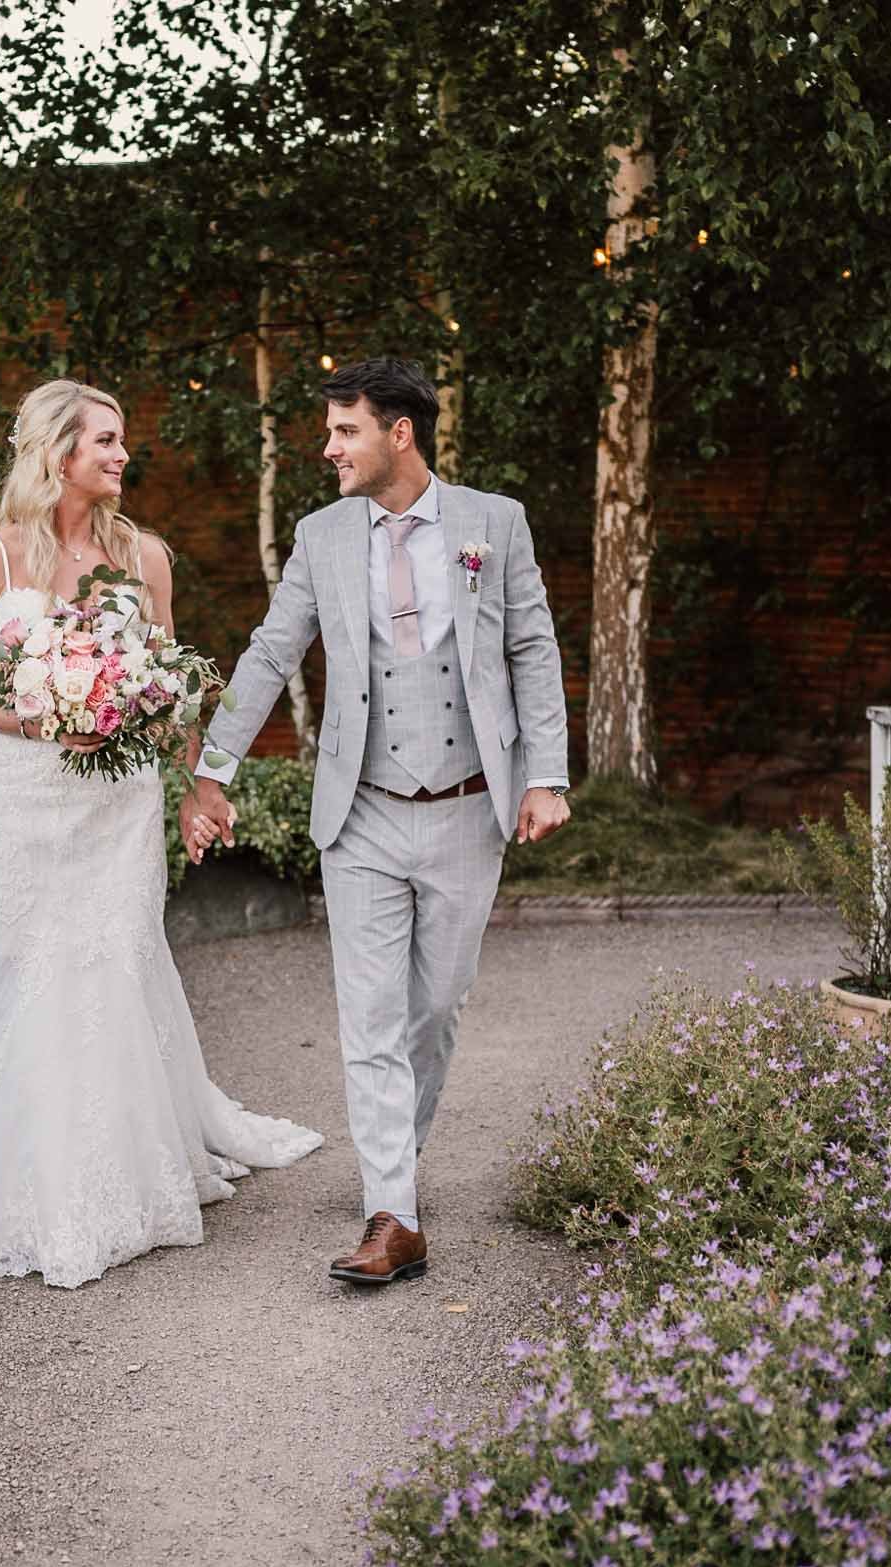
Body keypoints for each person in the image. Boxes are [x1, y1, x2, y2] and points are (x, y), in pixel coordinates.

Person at [0, 378, 323, 1289]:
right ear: (59, 453)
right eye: (105, 440)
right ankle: (22, 1178)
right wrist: (54, 715)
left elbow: (172, 688)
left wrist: (193, 785)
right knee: (29, 959)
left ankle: (124, 1174)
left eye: (122, 440)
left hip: (118, 801)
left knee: (113, 957)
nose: (122, 454)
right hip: (21, 798)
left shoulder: (147, 559)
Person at [181, 357, 572, 1287]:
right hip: (358, 813)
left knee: (433, 1012)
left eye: (344, 430)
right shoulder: (321, 537)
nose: (329, 448)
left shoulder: (495, 523)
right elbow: (272, 651)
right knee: (369, 1019)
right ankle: (391, 1210)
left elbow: (532, 647)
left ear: (400, 432)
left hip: (469, 807)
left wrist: (546, 775)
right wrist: (210, 769)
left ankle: (396, 1161)